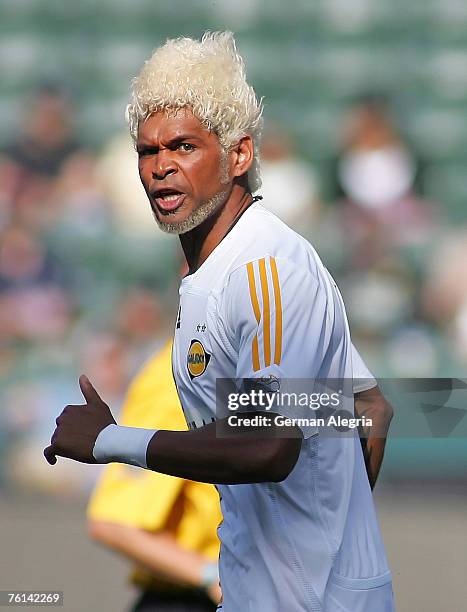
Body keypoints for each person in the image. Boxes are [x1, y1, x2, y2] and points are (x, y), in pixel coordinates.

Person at [45, 32, 394, 611]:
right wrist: (333, 513)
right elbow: (366, 408)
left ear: (238, 155)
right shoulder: (215, 270)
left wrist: (110, 440)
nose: (160, 168)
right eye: (147, 152)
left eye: (183, 147)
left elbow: (268, 448)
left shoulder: (263, 269)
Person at [87, 340, 222, 612]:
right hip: (192, 599)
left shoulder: (274, 365)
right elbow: (115, 522)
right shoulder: (181, 374)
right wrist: (214, 577)